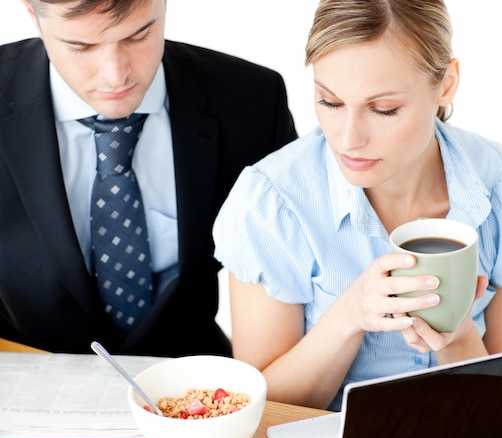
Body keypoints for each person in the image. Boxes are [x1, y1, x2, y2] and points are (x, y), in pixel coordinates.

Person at [213, 0, 502, 411]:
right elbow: (258, 410)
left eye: (384, 109)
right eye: (330, 102)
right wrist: (349, 315)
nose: (348, 139)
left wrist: (458, 338)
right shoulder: (271, 201)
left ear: (446, 84)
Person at [0, 0, 297, 356]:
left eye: (139, 35)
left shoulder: (252, 100)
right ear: (34, 17)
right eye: (81, 47)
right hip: (20, 375)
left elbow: (299, 266)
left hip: (193, 381)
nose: (115, 75)